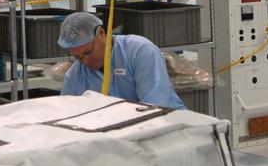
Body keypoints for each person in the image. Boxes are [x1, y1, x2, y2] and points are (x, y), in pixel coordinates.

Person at [57, 11, 185, 109]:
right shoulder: (75, 75)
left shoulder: (139, 51)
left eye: (88, 53)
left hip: (168, 131)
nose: (85, 61)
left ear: (102, 33)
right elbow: (67, 115)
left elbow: (155, 107)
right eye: (78, 57)